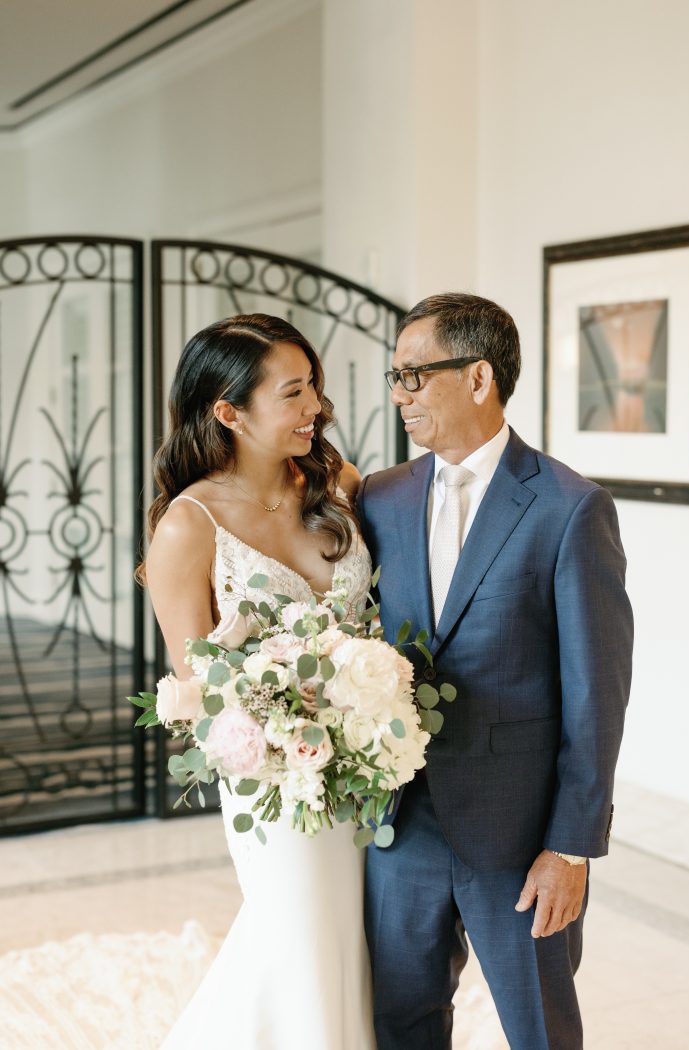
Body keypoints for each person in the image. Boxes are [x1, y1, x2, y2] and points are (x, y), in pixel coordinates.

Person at [357, 293, 633, 1050]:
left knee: (540, 1031)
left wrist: (570, 846)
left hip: (519, 837)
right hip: (401, 827)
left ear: (478, 378)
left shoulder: (570, 508)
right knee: (400, 1024)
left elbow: (596, 696)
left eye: (415, 375)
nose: (399, 394)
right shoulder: (379, 497)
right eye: (395, 376)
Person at [143, 314, 376, 1050]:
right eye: (295, 391)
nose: (317, 408)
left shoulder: (339, 486)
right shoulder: (190, 523)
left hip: (375, 759)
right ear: (229, 411)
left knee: (363, 951)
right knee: (300, 946)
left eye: (315, 387)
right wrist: (288, 714)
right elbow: (197, 681)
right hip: (277, 776)